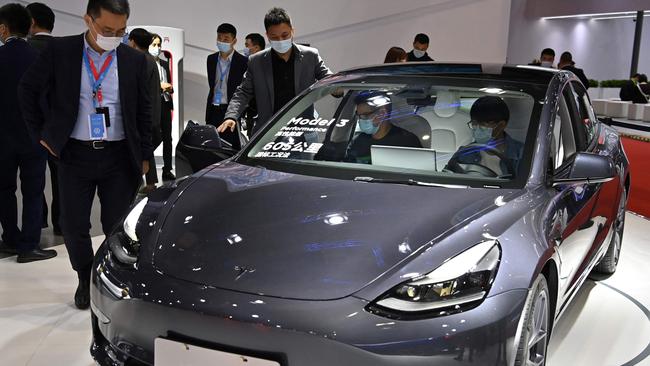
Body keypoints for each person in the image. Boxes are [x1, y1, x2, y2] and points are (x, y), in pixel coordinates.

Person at [18, 0, 153, 310]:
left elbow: (144, 111)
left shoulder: (134, 59)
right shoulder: (60, 51)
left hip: (120, 156)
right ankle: (84, 275)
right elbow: (26, 89)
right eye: (107, 30)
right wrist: (41, 135)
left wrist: (145, 153)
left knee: (117, 225)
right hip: (75, 154)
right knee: (74, 223)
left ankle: (112, 277)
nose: (114, 36)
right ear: (88, 20)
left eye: (120, 31)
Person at [218, 7, 334, 136]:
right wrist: (231, 116)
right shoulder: (256, 61)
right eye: (274, 37)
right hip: (268, 133)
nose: (280, 41)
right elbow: (243, 92)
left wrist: (337, 88)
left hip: (303, 131)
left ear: (292, 31)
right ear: (267, 36)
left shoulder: (310, 56)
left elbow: (328, 78)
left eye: (285, 35)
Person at [0, 3, 57, 263]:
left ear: (4, 28)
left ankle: (10, 238)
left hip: (2, 137)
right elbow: (47, 99)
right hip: (34, 137)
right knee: (33, 192)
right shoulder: (38, 58)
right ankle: (29, 246)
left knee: (5, 189)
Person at [26, 2, 62, 235]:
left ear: (31, 22)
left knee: (33, 178)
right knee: (62, 179)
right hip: (61, 125)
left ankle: (38, 221)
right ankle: (61, 223)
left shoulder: (26, 49)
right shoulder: (66, 50)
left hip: (30, 125)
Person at [447, 96, 523, 177]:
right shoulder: (464, 153)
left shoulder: (522, 154)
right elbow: (447, 177)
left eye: (483, 125)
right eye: (474, 124)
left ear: (501, 125)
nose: (477, 129)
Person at [346, 92, 422, 164]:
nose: (360, 120)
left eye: (365, 116)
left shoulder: (407, 143)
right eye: (359, 116)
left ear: (382, 114)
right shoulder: (358, 140)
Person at [128, 28, 161, 193]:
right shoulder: (150, 60)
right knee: (145, 149)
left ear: (132, 41)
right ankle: (149, 182)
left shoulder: (141, 61)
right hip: (152, 115)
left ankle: (146, 183)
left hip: (145, 115)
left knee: (142, 148)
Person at [205, 23, 248, 149]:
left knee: (230, 147)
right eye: (219, 38)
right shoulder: (211, 59)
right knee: (213, 146)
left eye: (226, 39)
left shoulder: (243, 62)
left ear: (234, 41)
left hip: (230, 110)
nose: (221, 41)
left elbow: (243, 89)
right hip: (213, 109)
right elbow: (212, 84)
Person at [149, 33, 175, 180]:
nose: (157, 48)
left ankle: (167, 169)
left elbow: (169, 83)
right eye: (154, 45)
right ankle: (144, 164)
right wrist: (160, 87)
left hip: (165, 103)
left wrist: (169, 88)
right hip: (152, 106)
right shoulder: (145, 63)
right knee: (154, 137)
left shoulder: (165, 64)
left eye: (159, 45)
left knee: (167, 138)